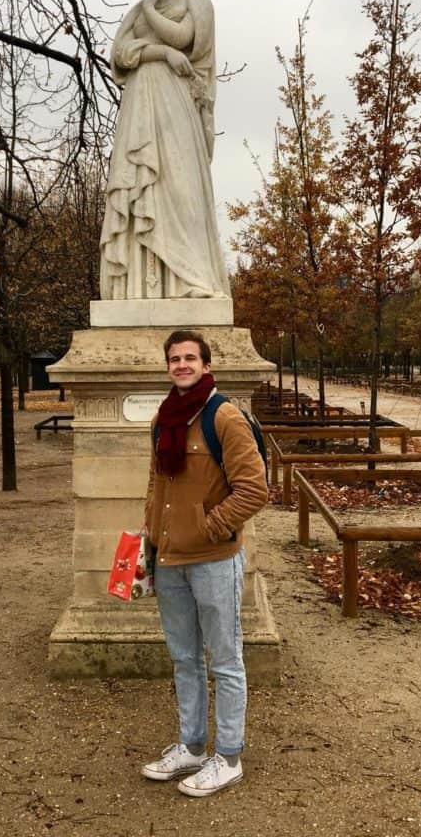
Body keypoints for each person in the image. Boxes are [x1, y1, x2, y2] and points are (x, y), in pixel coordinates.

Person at [141, 330, 268, 797]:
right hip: (170, 560)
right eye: (174, 358)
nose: (181, 365)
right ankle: (192, 746)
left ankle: (228, 755)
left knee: (227, 661)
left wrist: (210, 528)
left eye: (190, 357)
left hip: (213, 559)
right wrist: (151, 534)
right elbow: (156, 483)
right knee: (184, 658)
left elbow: (255, 490)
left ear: (206, 363)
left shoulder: (225, 417)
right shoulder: (163, 418)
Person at [99, 0, 231, 300]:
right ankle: (139, 289)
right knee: (143, 182)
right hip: (142, 102)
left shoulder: (195, 2)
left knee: (181, 188)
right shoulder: (137, 14)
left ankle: (193, 279)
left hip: (178, 105)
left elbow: (184, 38)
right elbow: (121, 55)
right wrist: (159, 53)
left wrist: (150, 12)